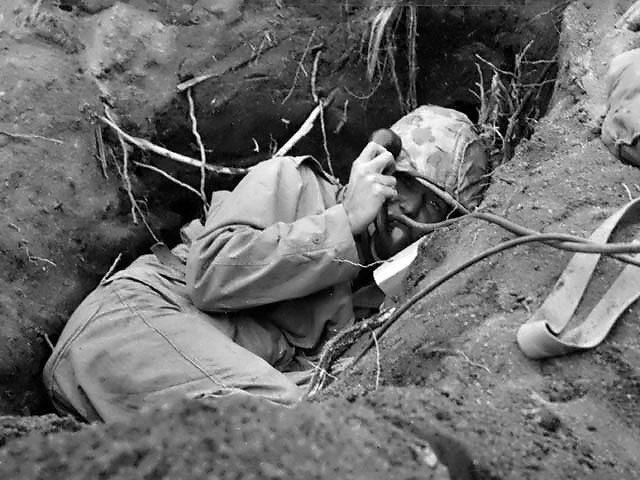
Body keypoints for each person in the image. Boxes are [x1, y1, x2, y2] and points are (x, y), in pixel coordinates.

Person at [43, 105, 488, 423]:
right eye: (413, 187)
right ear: (381, 169)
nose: (416, 212)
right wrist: (345, 222)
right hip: (134, 324)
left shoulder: (376, 295)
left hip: (158, 385)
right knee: (296, 428)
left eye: (437, 208)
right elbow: (210, 274)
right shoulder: (295, 182)